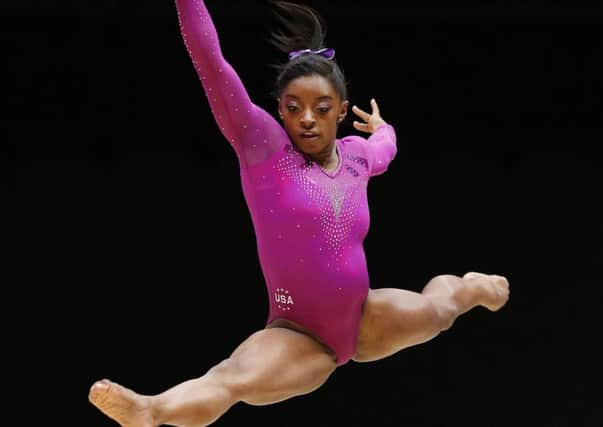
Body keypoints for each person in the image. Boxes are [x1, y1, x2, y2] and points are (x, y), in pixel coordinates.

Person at [88, 1, 510, 426]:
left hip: (363, 318)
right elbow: (211, 64)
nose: (307, 120)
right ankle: (150, 410)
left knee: (440, 310)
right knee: (232, 379)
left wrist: (384, 129)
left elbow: (386, 147)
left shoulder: (358, 157)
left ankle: (474, 287)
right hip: (299, 333)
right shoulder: (264, 149)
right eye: (294, 108)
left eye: (322, 109)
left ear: (342, 112)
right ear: (280, 111)